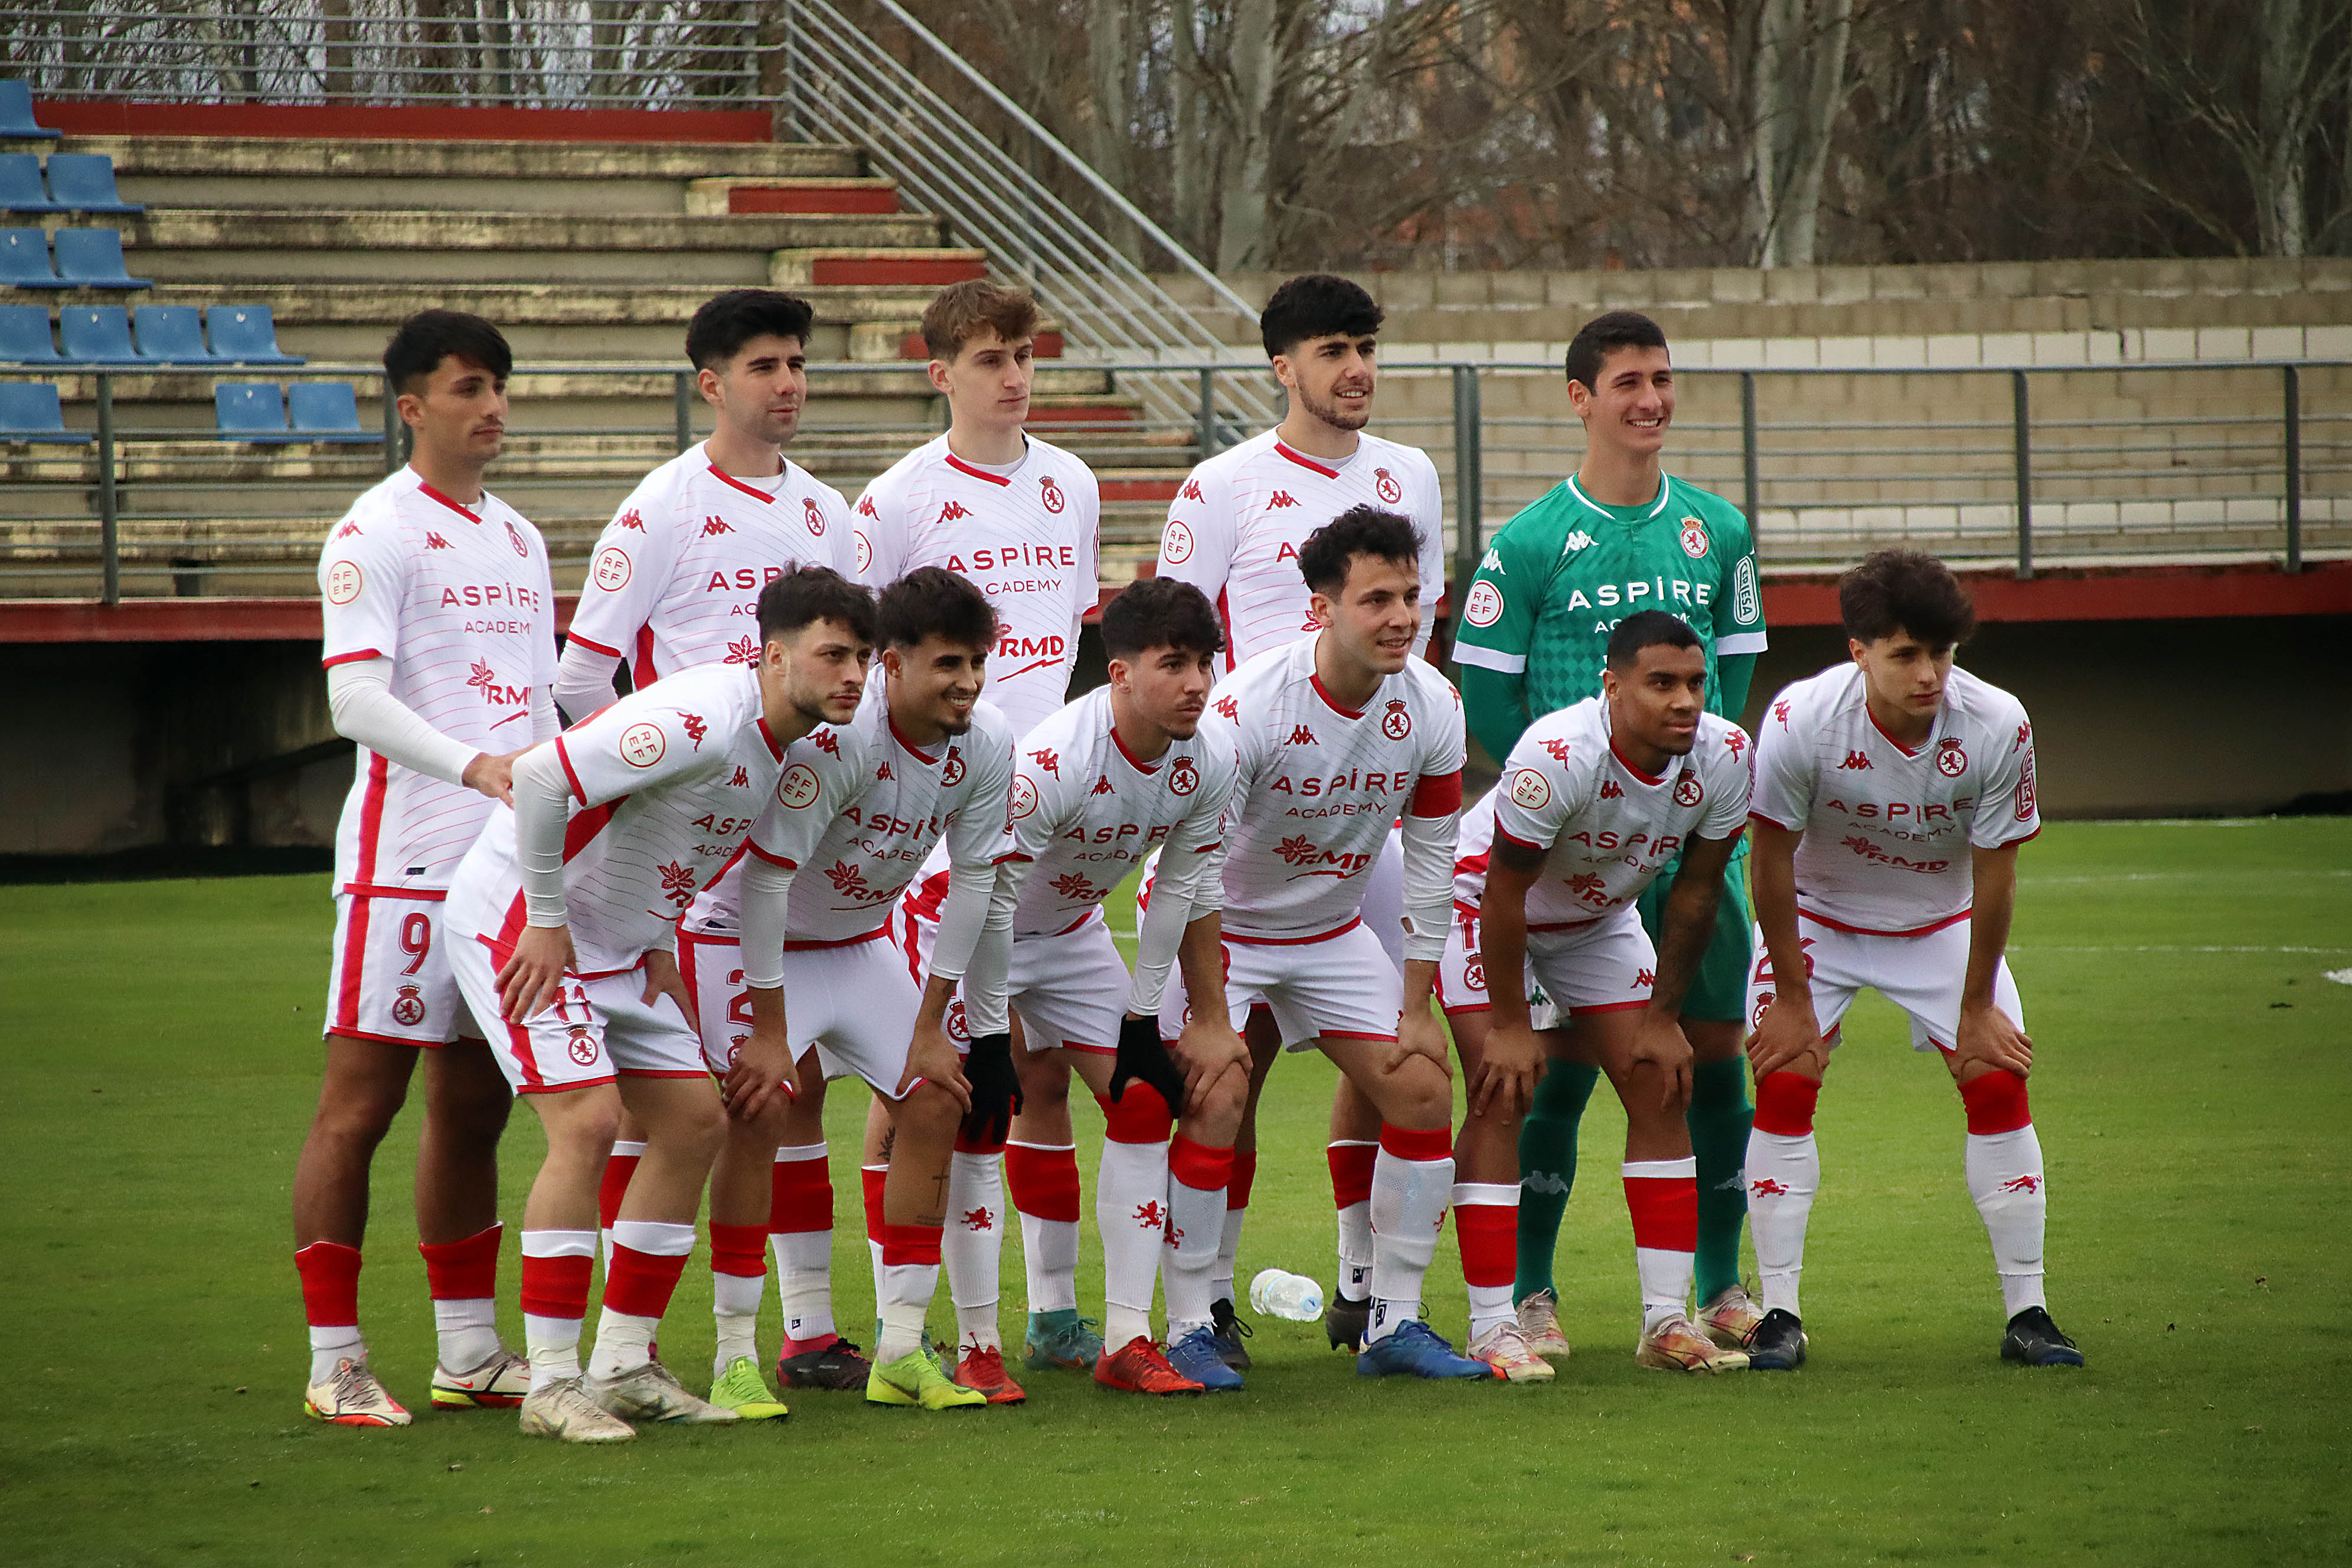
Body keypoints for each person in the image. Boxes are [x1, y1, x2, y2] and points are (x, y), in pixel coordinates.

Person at [443, 566, 875, 1442]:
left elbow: (668, 841)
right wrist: (546, 920)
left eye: (864, 657)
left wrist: (651, 943)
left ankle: (625, 1363)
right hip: (523, 922)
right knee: (588, 1122)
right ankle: (552, 1385)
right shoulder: (699, 718)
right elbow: (541, 780)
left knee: (694, 1120)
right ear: (773, 654)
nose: (854, 676)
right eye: (833, 654)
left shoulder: (783, 744)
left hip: (616, 948)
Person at [551, 288, 859, 1412]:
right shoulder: (662, 507)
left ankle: (774, 1338)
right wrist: (668, 779)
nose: (787, 384)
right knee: (687, 1108)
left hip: (781, 842)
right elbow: (584, 676)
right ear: (711, 384)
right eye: (764, 366)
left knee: (777, 1094)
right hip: (677, 857)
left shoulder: (830, 516)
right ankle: (621, 1348)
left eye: (798, 364)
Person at [1451, 309, 1771, 1360]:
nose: (1651, 400)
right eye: (1627, 382)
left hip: (1672, 842)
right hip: (1550, 843)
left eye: (1664, 381)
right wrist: (1573, 799)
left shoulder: (1718, 531)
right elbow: (1485, 701)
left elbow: (1731, 674)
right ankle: (1527, 1297)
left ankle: (1711, 1290)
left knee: (1700, 1057)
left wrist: (1665, 796)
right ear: (1581, 399)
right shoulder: (1533, 541)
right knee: (1541, 1072)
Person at [1152, 273, 1448, 1349]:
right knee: (1231, 1077)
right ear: (1283, 367)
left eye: (1366, 346)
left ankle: (1372, 1292)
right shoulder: (1221, 486)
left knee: (1405, 1070)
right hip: (1245, 819)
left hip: (1356, 822)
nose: (1356, 369)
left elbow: (1422, 622)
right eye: (1332, 350)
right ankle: (1205, 1308)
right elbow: (1178, 634)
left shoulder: (1410, 475)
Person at [295, 309, 554, 1427]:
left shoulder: (522, 537)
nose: (490, 406)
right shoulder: (372, 533)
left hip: (500, 868)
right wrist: (476, 766)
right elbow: (353, 699)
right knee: (360, 1106)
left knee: (475, 1103)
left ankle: (469, 1350)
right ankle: (335, 1359)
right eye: (465, 388)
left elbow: (538, 699)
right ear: (410, 406)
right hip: (404, 867)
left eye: (497, 385)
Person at [1167, 505, 1490, 1381]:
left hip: (1332, 931)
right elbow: (1189, 867)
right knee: (1217, 1100)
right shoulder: (1247, 707)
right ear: (1321, 610)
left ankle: (1393, 1325)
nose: (1400, 618)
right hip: (1223, 934)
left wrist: (1418, 1005)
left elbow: (1430, 863)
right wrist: (1205, 1012)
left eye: (1413, 597)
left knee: (1423, 1087)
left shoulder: (1433, 703)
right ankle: (1192, 1321)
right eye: (1376, 598)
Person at [901, 577, 1247, 1393]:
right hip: (961, 919)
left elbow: (1179, 892)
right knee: (978, 1112)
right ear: (1120, 675)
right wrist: (989, 1034)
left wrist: (1142, 1017)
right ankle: (978, 1342)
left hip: (1068, 931)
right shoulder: (1056, 760)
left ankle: (1126, 1339)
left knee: (1143, 1099)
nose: (1197, 683)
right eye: (1174, 664)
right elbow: (986, 895)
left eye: (1205, 662)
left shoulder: (1213, 756)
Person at [850, 280, 1102, 1390]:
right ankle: (899, 1321)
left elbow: (1067, 647)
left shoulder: (1073, 485)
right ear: (939, 371)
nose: (1016, 375)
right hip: (942, 834)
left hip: (1049, 827)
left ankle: (1051, 1315)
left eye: (1026, 355)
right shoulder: (898, 500)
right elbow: (870, 670)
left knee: (1044, 1075)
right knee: (923, 1081)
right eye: (992, 357)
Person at [1742, 548, 2082, 1371]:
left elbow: (1997, 872)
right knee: (1786, 1078)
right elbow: (1769, 858)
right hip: (1820, 921)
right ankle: (1779, 1314)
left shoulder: (2000, 723)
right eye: (1905, 655)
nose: (1928, 674)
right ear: (1857, 650)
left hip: (1943, 921)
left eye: (1941, 653)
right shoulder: (1799, 721)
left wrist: (1975, 1008)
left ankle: (2028, 1312)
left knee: (1997, 1077)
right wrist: (1792, 994)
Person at [718, 566, 1024, 1412]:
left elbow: (973, 884)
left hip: (857, 944)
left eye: (977, 663)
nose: (967, 683)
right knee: (759, 1107)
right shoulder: (844, 741)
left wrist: (934, 1025)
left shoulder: (988, 741)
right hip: (754, 943)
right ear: (891, 664)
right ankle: (737, 1353)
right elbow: (764, 885)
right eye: (947, 665)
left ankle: (898, 1353)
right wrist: (774, 1031)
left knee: (934, 1098)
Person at [1468, 610, 1756, 1374]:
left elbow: (1696, 890)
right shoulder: (1558, 754)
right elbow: (1503, 894)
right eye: (1661, 683)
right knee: (1504, 1089)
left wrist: (1663, 1017)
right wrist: (1508, 1022)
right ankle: (1494, 1323)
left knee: (1662, 1080)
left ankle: (1666, 1322)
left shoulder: (1726, 754)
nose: (1685, 701)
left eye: (1695, 683)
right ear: (1613, 685)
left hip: (1596, 918)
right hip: (1485, 908)